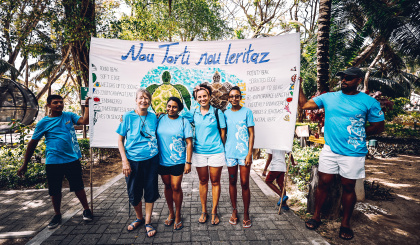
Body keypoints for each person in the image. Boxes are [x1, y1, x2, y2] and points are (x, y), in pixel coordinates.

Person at [298, 67, 385, 240]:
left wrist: (358, 133)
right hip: (330, 149)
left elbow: (379, 126)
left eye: (349, 78)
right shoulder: (329, 97)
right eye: (343, 77)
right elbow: (305, 105)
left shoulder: (368, 102)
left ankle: (345, 223)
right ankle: (316, 216)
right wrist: (298, 86)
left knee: (348, 186)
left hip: (353, 152)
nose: (344, 80)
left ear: (359, 80)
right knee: (323, 183)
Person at [17, 94, 93, 229]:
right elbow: (32, 143)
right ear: (48, 105)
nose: (59, 104)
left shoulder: (69, 116)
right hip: (53, 161)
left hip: (71, 159)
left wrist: (87, 105)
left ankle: (86, 209)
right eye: (55, 102)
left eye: (61, 102)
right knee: (55, 190)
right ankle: (57, 214)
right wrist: (25, 164)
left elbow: (85, 121)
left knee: (78, 186)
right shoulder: (43, 123)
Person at [117, 88, 159, 237]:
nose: (144, 100)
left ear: (150, 102)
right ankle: (139, 218)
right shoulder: (127, 117)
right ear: (136, 100)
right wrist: (125, 161)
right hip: (133, 161)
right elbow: (120, 140)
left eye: (147, 98)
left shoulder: (154, 117)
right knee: (134, 193)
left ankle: (148, 221)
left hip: (152, 160)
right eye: (141, 98)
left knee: (150, 191)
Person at [184, 83, 226, 225]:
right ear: (196, 99)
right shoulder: (193, 113)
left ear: (209, 96)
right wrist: (159, 115)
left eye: (205, 96)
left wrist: (220, 145)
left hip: (216, 152)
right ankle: (204, 210)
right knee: (203, 181)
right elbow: (176, 115)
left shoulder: (217, 112)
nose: (202, 99)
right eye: (199, 97)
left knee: (215, 181)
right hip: (199, 152)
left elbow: (223, 131)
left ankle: (214, 211)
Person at [156, 97, 193, 230]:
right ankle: (171, 213)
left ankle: (178, 214)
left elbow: (189, 143)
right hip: (162, 160)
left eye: (174, 107)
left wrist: (188, 162)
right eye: (169, 106)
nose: (171, 109)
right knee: (167, 186)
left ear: (179, 109)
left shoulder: (184, 122)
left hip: (178, 160)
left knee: (176, 186)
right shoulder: (159, 119)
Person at [223, 86, 255, 228]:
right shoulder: (225, 113)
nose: (234, 98)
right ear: (228, 99)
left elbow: (251, 134)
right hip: (230, 154)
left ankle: (246, 212)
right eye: (232, 96)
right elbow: (223, 132)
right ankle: (235, 210)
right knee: (232, 181)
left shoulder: (247, 112)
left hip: (243, 154)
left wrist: (250, 153)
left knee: (244, 183)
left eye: (237, 96)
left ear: (240, 97)